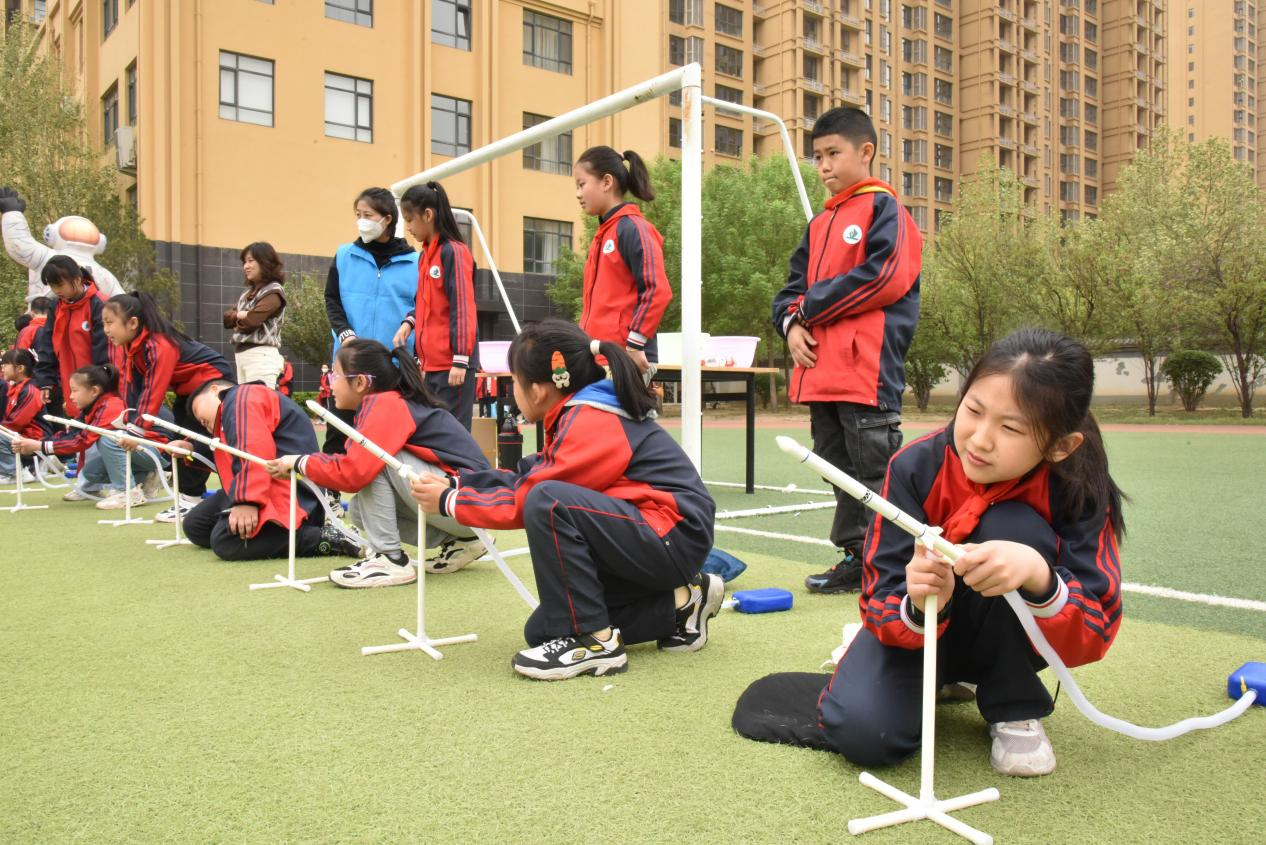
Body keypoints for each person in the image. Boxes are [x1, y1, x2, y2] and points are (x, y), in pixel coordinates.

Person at [807, 328, 1124, 778]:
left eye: (1010, 428)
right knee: (863, 734)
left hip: (1009, 634)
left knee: (1013, 529)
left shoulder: (1078, 489)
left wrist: (1039, 576)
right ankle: (936, 679)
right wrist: (918, 601)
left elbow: (1096, 627)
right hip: (919, 635)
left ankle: (1011, 700)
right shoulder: (915, 467)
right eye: (973, 410)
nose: (979, 439)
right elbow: (878, 594)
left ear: (1060, 445)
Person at [409, 320, 721, 682]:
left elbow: (531, 498)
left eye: (515, 381)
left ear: (539, 390)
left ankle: (595, 643)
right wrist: (457, 482)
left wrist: (451, 502)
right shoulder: (578, 414)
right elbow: (530, 476)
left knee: (548, 501)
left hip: (673, 532)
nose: (513, 392)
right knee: (546, 629)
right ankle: (682, 604)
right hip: (653, 534)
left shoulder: (592, 419)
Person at [771, 106, 922, 595]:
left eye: (833, 153)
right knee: (837, 472)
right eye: (817, 157)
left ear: (866, 152)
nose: (824, 166)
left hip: (866, 373)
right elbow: (788, 292)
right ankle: (859, 558)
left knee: (877, 474)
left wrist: (808, 309)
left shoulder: (887, 211)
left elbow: (883, 277)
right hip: (822, 376)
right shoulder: (818, 225)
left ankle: (896, 567)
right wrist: (791, 325)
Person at [267, 339, 490, 588]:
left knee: (378, 459)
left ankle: (390, 559)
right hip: (471, 507)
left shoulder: (386, 404)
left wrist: (302, 463)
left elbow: (353, 473)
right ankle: (465, 540)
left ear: (360, 382)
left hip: (468, 503)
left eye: (335, 375)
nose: (330, 385)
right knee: (361, 511)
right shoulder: (390, 402)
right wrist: (303, 463)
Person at [177, 379, 362, 562]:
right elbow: (234, 453)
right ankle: (264, 536)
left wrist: (247, 501)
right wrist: (191, 448)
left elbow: (252, 446)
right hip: (268, 481)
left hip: (290, 490)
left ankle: (324, 538)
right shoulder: (238, 409)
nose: (201, 423)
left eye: (196, 410)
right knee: (196, 525)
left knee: (226, 541)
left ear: (214, 389)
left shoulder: (242, 396)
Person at [102, 291, 234, 514]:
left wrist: (136, 432)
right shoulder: (132, 346)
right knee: (180, 441)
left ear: (133, 323)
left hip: (211, 383)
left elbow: (154, 389)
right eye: (103, 323)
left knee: (193, 439)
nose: (106, 330)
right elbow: (131, 386)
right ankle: (189, 498)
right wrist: (128, 421)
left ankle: (193, 499)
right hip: (189, 390)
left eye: (109, 323)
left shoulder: (158, 343)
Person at [322, 187, 419, 456]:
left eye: (368, 214)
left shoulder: (415, 262)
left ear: (387, 219)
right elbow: (332, 300)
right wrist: (345, 334)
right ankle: (329, 495)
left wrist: (409, 324)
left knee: (388, 437)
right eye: (358, 214)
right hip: (350, 363)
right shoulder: (344, 255)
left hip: (393, 363)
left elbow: (421, 307)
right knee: (338, 432)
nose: (361, 220)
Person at [572, 146, 671, 375]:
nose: (578, 194)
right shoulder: (602, 235)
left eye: (581, 184)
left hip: (627, 357)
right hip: (599, 355)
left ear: (606, 182)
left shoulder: (634, 229)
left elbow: (657, 290)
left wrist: (635, 344)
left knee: (626, 412)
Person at [391, 181, 479, 430]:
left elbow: (462, 307)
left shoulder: (454, 252)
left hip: (453, 362)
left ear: (428, 215)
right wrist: (410, 321)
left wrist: (461, 358)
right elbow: (424, 301)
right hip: (432, 365)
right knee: (437, 432)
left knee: (455, 433)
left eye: (410, 219)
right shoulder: (424, 256)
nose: (408, 228)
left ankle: (463, 472)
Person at [8, 363, 126, 502]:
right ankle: (91, 487)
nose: (70, 396)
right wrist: (38, 445)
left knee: (105, 439)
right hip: (136, 455)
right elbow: (70, 435)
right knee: (91, 472)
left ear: (94, 391)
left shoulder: (111, 405)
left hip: (149, 453)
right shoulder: (93, 408)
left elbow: (81, 441)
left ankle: (126, 491)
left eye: (75, 390)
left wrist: (39, 447)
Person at [0, 186, 123, 303]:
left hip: (46, 318)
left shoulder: (51, 260)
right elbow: (123, 304)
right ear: (100, 242)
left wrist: (11, 212)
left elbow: (19, 245)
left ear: (52, 234)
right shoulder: (104, 275)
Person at [31, 256, 113, 419]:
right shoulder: (56, 306)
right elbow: (47, 346)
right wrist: (45, 380)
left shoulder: (100, 305)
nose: (56, 291)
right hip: (70, 386)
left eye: (60, 285)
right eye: (53, 286)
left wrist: (96, 384)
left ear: (76, 279)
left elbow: (105, 352)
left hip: (96, 387)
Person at [223, 242, 287, 388]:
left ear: (265, 262)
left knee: (258, 406)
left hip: (261, 357)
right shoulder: (247, 293)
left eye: (250, 261)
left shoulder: (274, 291)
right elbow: (226, 319)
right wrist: (240, 314)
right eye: (245, 262)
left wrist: (239, 317)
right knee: (246, 406)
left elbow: (252, 321)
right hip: (242, 356)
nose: (246, 266)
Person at [0, 348, 42, 483]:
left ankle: (15, 472)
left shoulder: (31, 390)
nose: (2, 369)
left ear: (20, 368)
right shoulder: (15, 388)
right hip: (19, 435)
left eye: (5, 365)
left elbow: (16, 422)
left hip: (34, 438)